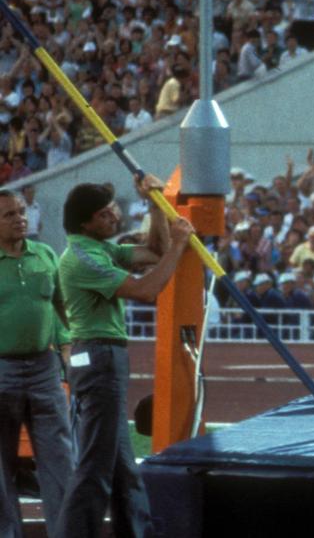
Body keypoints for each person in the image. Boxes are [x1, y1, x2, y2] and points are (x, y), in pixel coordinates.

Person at [57, 178, 195, 538]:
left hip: (106, 356)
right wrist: (180, 245)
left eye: (114, 208)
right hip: (99, 356)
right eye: (105, 214)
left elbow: (154, 250)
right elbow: (148, 290)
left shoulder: (99, 248)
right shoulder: (84, 258)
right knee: (95, 468)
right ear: (86, 223)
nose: (115, 216)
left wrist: (153, 204)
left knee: (122, 467)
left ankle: (134, 531)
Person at [0, 190, 73, 538]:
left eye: (21, 211)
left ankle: (66, 531)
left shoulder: (44, 253)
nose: (20, 219)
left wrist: (68, 344)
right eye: (9, 215)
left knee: (60, 457)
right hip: (2, 371)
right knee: (1, 466)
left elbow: (59, 305)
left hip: (45, 369)